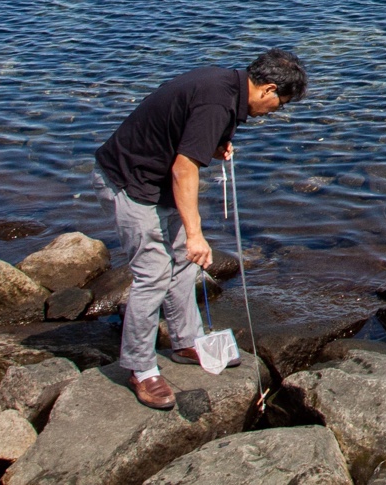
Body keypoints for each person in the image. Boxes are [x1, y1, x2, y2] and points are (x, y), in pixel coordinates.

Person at [93, 49, 307, 408]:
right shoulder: (217, 103)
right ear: (268, 89)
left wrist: (214, 142)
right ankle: (140, 368)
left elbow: (185, 122)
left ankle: (186, 342)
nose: (275, 111)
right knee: (153, 274)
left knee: (183, 263)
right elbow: (183, 168)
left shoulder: (228, 87)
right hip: (129, 183)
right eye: (279, 104)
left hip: (156, 181)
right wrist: (195, 234)